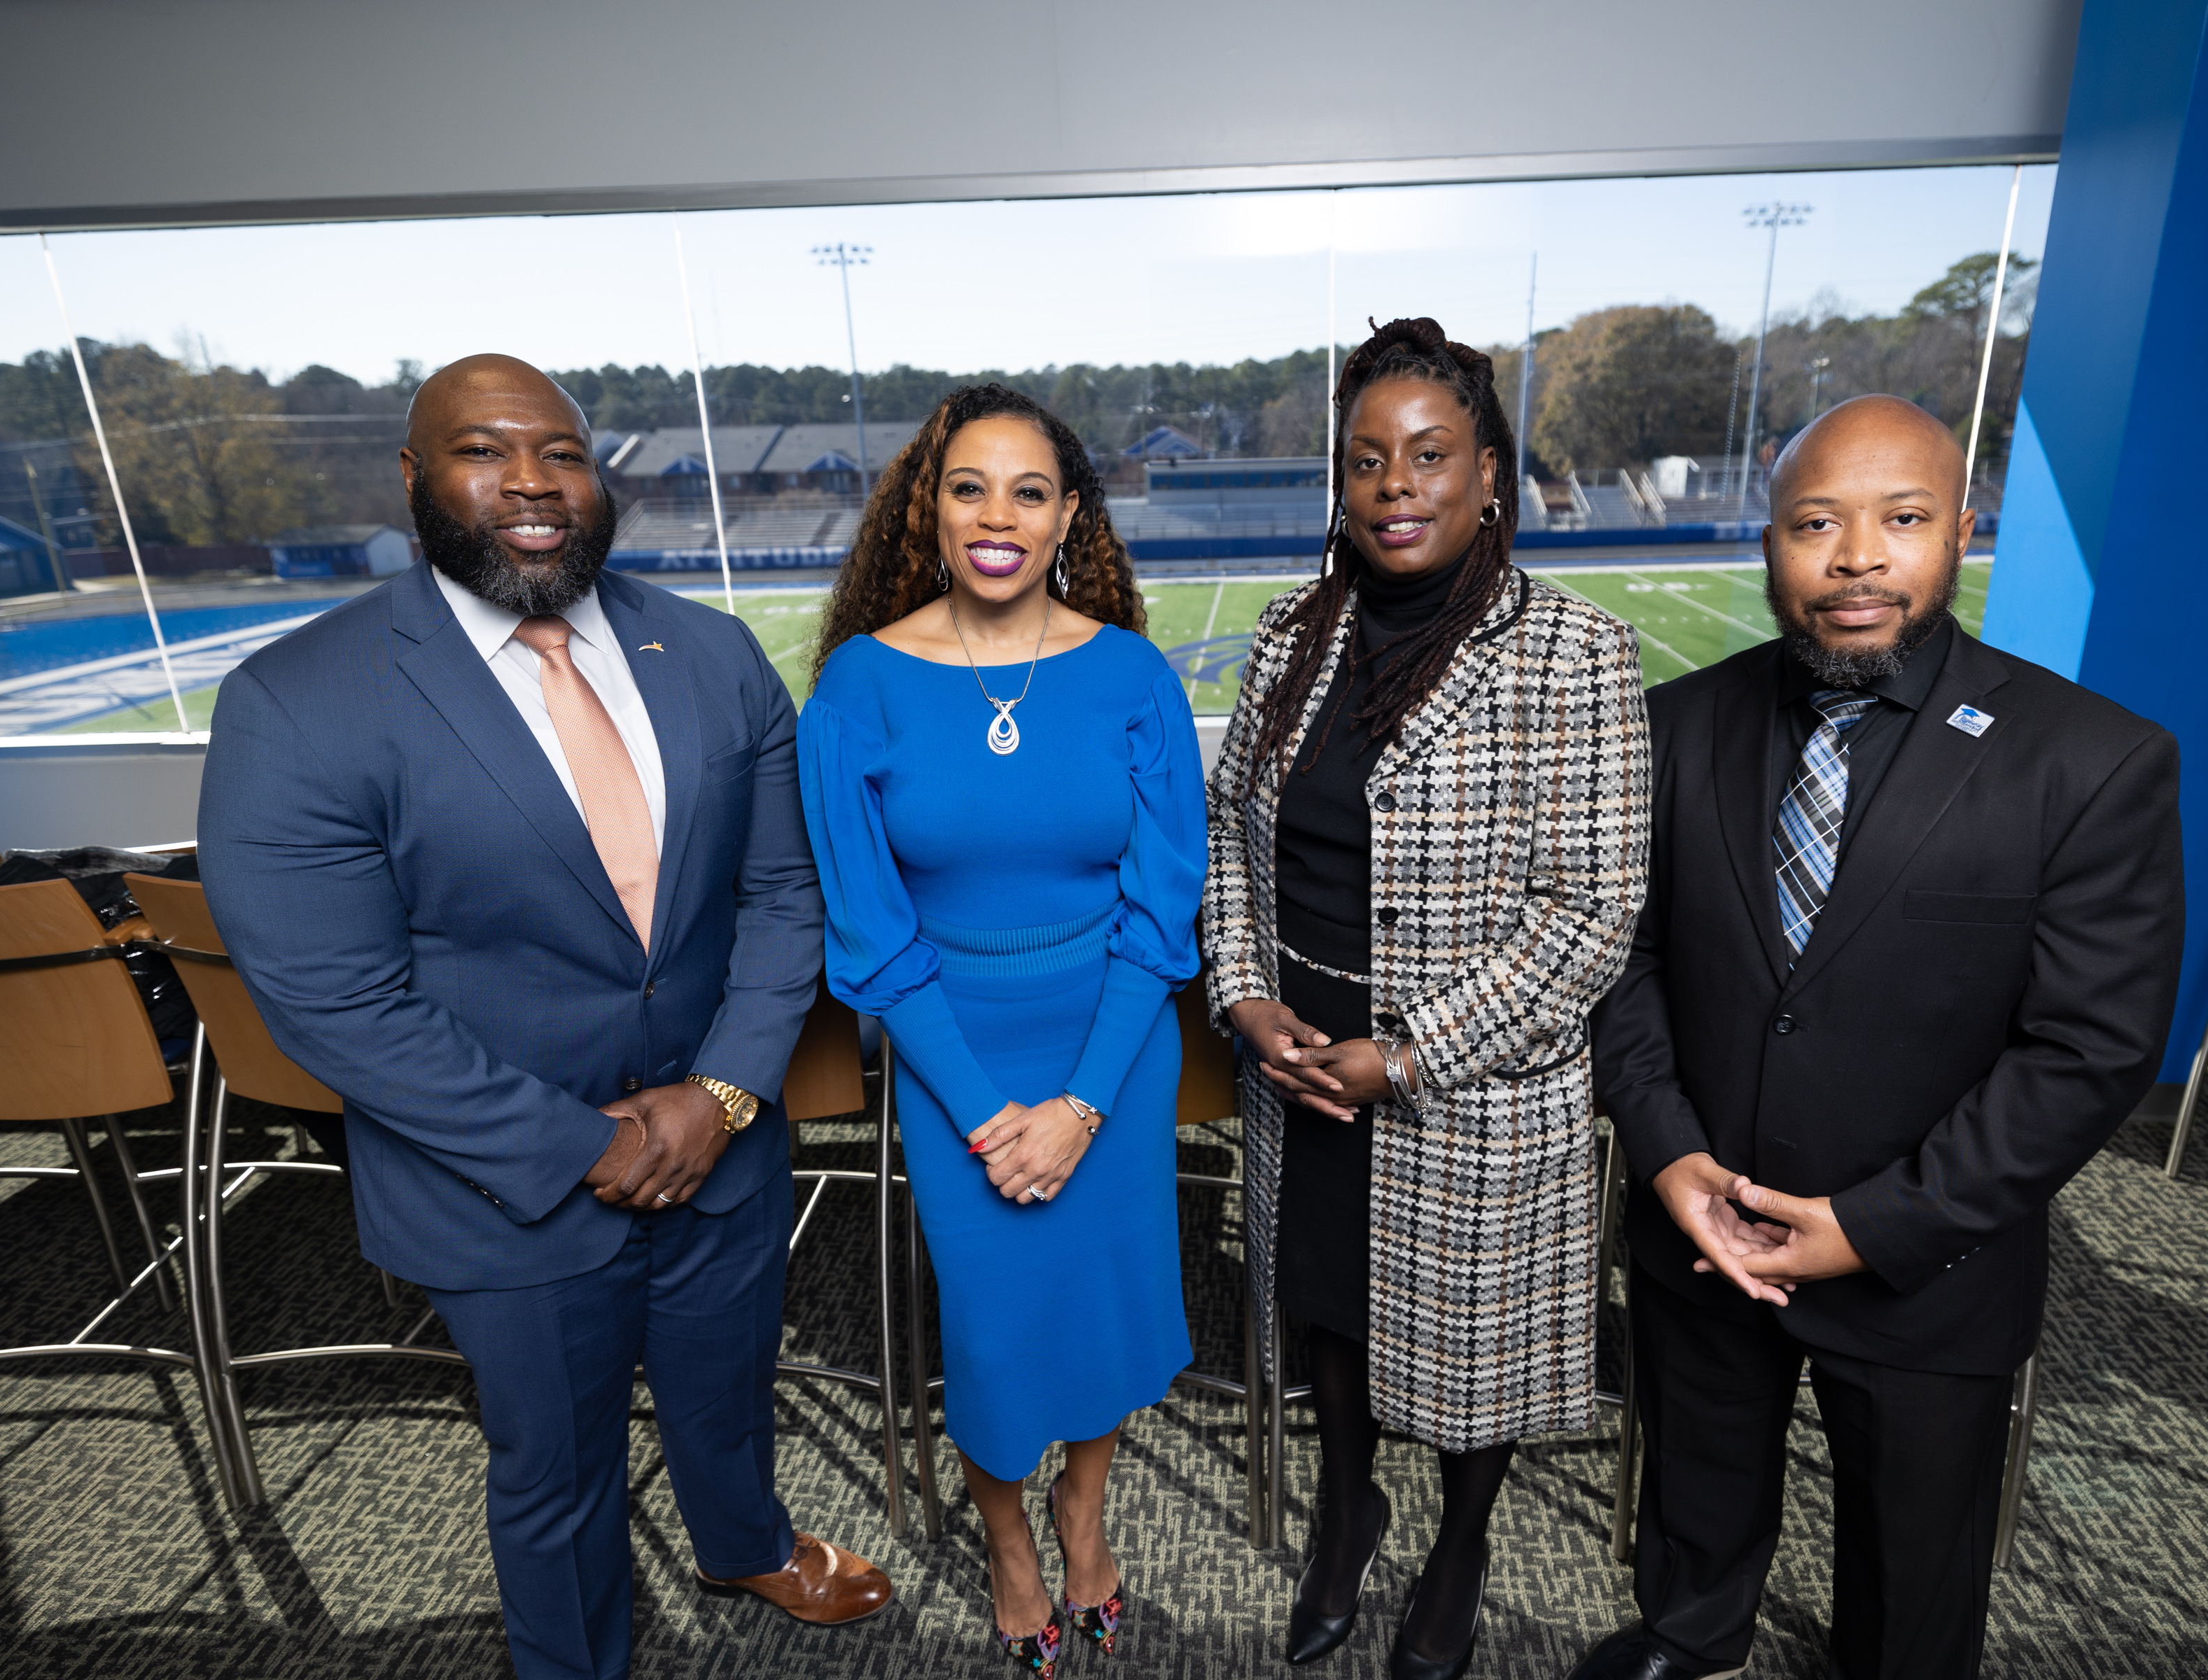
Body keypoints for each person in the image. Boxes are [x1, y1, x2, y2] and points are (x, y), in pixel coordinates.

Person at [199, 356, 893, 1680]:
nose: (530, 482)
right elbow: (338, 1001)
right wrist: (584, 1146)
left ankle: (744, 1542)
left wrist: (725, 1095)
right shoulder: (297, 701)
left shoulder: (709, 650)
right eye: (484, 450)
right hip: (505, 1184)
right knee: (555, 1468)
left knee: (729, 1391)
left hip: (723, 1143)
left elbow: (784, 893)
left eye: (563, 453)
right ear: (414, 479)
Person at [1575, 396, 2185, 1680]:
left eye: (1902, 520)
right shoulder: (1671, 728)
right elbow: (1624, 966)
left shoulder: (2091, 759)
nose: (1858, 557)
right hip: (1706, 1227)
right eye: (1817, 524)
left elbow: (2091, 1049)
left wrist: (1877, 1225)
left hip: (1926, 1260)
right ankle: (1695, 1633)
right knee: (1699, 1482)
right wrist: (1672, 1158)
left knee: (1911, 1583)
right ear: (1771, 547)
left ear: (1962, 530)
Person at [1203, 318, 1650, 1680]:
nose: (1395, 484)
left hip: (1464, 1088)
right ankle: (1351, 1507)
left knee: (1469, 1373)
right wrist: (1242, 995)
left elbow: (1591, 917)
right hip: (1300, 1071)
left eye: (1430, 455)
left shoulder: (1571, 651)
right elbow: (1232, 839)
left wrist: (1403, 1059)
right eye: (1365, 460)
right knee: (1325, 1317)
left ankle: (1459, 1548)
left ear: (1493, 476)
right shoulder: (1294, 631)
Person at [797, 384, 1206, 1675]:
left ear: (1070, 516)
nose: (998, 516)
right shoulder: (856, 690)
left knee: (1102, 1299)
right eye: (969, 486)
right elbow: (869, 936)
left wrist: (1084, 1103)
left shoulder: (1132, 673)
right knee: (992, 1324)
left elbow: (1161, 906)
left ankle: (1083, 1512)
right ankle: (1010, 1543)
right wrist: (984, 1110)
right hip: (951, 1057)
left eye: (1030, 491)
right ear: (930, 509)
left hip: (1116, 1049)